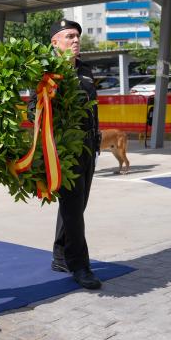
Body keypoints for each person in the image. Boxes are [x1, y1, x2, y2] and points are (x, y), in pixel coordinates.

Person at [47, 19, 103, 290]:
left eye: (77, 36)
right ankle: (80, 265)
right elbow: (38, 110)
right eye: (69, 36)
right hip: (64, 151)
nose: (76, 40)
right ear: (55, 43)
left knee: (77, 206)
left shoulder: (85, 69)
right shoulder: (48, 73)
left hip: (88, 147)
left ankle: (61, 254)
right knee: (73, 208)